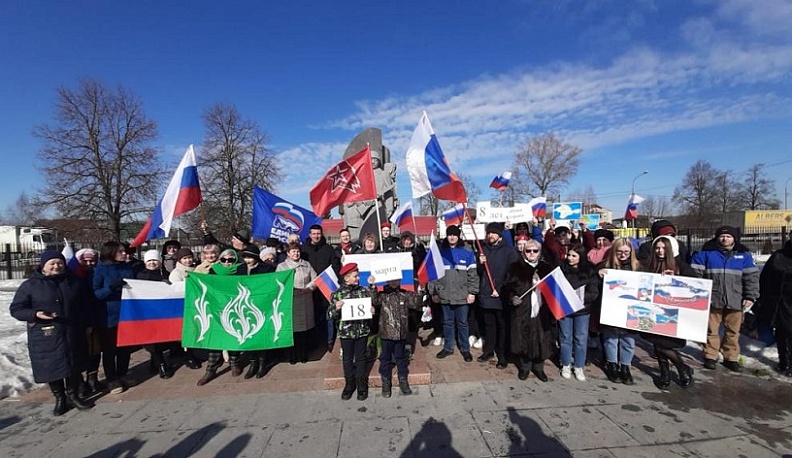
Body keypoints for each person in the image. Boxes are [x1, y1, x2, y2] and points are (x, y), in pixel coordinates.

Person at [10, 252, 94, 416]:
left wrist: (88, 324)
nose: (57, 266)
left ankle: (73, 395)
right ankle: (60, 398)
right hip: (45, 335)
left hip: (72, 331)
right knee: (51, 367)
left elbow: (86, 305)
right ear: (43, 265)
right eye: (52, 264)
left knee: (73, 365)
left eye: (59, 263)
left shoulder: (73, 282)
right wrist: (35, 314)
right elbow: (16, 309)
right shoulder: (30, 285)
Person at [691, 226, 759, 372]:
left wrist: (750, 296)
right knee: (711, 330)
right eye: (722, 236)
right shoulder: (705, 254)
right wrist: (700, 295)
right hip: (712, 299)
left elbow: (751, 278)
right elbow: (695, 276)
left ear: (734, 238)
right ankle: (710, 355)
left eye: (728, 236)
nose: (725, 239)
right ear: (717, 238)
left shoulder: (744, 255)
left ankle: (731, 357)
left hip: (736, 299)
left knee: (733, 331)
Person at [642, 236, 696, 388]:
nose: (660, 251)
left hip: (672, 314)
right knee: (656, 343)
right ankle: (664, 372)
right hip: (653, 312)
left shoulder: (682, 267)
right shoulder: (649, 265)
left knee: (664, 345)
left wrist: (676, 280)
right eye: (658, 248)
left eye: (664, 248)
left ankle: (682, 367)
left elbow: (695, 287)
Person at [504, 239, 555, 381]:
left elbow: (555, 289)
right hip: (523, 310)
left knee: (541, 338)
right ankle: (525, 367)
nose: (531, 253)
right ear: (523, 252)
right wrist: (513, 298)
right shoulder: (515, 267)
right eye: (528, 250)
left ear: (539, 252)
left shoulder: (546, 268)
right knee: (523, 338)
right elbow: (508, 288)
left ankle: (539, 368)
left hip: (541, 309)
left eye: (535, 251)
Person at [430, 224, 478, 362]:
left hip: (462, 295)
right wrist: (434, 291)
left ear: (458, 236)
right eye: (449, 234)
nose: (452, 237)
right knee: (447, 323)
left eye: (454, 235)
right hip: (445, 295)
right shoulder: (440, 252)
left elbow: (473, 275)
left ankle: (465, 349)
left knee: (463, 323)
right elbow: (433, 274)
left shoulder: (467, 252)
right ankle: (448, 347)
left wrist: (472, 292)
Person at [93, 241, 136, 394]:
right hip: (108, 316)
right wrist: (111, 287)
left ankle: (123, 374)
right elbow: (96, 293)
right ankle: (112, 380)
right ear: (111, 253)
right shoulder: (100, 269)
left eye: (124, 251)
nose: (125, 254)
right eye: (121, 252)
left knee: (124, 348)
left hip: (126, 313)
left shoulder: (126, 267)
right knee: (110, 350)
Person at [196, 249, 244, 385]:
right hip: (216, 308)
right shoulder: (213, 270)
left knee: (233, 336)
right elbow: (205, 285)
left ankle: (235, 363)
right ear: (220, 260)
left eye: (230, 260)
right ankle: (211, 369)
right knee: (216, 338)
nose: (227, 262)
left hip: (234, 307)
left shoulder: (240, 270)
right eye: (224, 260)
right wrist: (190, 278)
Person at [329, 263, 375, 401]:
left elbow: (371, 303)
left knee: (361, 358)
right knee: (347, 359)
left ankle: (361, 385)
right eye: (355, 276)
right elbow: (330, 314)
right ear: (346, 278)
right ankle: (349, 384)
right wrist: (336, 308)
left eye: (357, 275)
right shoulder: (337, 294)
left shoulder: (363, 291)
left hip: (361, 331)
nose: (358, 278)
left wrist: (372, 310)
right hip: (346, 333)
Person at [597, 237, 640, 384]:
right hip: (611, 309)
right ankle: (612, 364)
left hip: (631, 310)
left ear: (631, 252)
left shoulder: (639, 267)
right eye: (619, 252)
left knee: (628, 340)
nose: (623, 255)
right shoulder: (605, 266)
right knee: (611, 339)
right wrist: (599, 275)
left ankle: (625, 366)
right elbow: (594, 286)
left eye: (626, 252)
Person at [477, 222, 520, 368]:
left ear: (499, 235)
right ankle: (488, 350)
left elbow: (513, 273)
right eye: (489, 232)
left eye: (493, 233)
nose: (490, 235)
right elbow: (479, 273)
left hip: (501, 295)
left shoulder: (509, 251)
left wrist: (500, 288)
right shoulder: (483, 249)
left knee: (502, 325)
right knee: (489, 325)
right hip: (486, 293)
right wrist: (480, 263)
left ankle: (502, 355)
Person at [372, 277, 422, 397]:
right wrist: (373, 286)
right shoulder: (383, 295)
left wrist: (420, 292)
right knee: (385, 358)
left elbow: (415, 304)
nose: (394, 282)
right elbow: (374, 301)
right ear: (387, 281)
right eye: (391, 280)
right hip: (386, 333)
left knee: (400, 358)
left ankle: (403, 380)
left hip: (400, 333)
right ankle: (385, 381)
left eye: (396, 280)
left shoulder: (404, 294)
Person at [558, 244, 599, 381]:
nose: (570, 258)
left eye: (574, 256)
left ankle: (579, 366)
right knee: (565, 338)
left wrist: (579, 298)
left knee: (581, 339)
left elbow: (593, 292)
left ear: (581, 257)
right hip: (565, 309)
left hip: (582, 310)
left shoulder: (589, 271)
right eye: (569, 255)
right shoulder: (562, 269)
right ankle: (565, 363)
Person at [276, 242, 317, 366]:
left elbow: (315, 279)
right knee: (292, 330)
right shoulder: (282, 267)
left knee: (304, 331)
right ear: (288, 253)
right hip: (290, 302)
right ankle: (292, 356)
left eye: (297, 251)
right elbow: (278, 282)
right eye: (293, 251)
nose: (296, 253)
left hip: (305, 300)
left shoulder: (306, 265)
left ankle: (303, 354)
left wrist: (309, 288)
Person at [136, 249, 174, 379]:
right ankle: (161, 365)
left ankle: (155, 361)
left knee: (162, 339)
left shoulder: (166, 274)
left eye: (155, 260)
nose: (152, 263)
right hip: (147, 314)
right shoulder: (140, 275)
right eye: (149, 260)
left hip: (163, 313)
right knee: (152, 341)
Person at [757, 235, 792, 375]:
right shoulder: (778, 256)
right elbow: (765, 278)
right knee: (782, 333)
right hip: (779, 302)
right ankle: (784, 362)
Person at [302, 224, 339, 353]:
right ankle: (315, 341)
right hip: (310, 288)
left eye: (318, 233)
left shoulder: (329, 249)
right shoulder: (304, 250)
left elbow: (335, 265)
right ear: (310, 234)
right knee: (313, 316)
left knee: (329, 316)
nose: (316, 236)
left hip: (326, 286)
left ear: (321, 234)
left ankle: (329, 341)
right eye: (314, 233)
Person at [73, 248, 103, 396]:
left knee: (95, 351)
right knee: (79, 353)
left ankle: (93, 378)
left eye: (92, 260)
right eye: (85, 261)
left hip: (95, 316)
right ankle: (79, 383)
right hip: (78, 320)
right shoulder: (72, 276)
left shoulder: (97, 274)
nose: (89, 263)